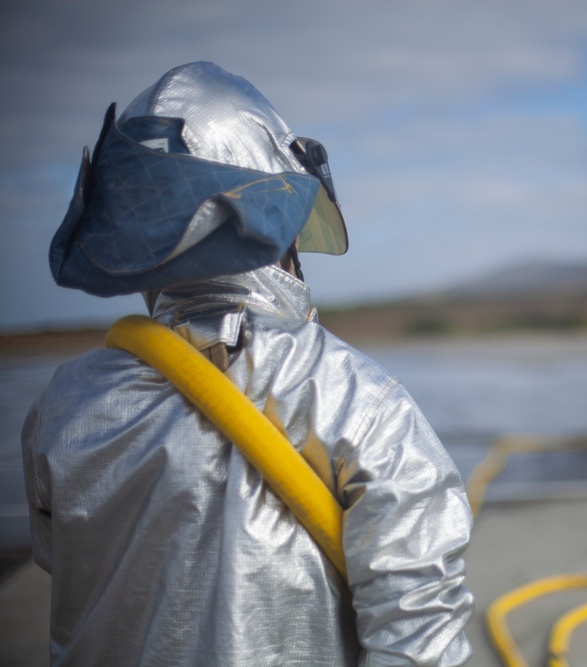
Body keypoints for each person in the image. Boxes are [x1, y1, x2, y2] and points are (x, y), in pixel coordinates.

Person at [22, 62, 474, 666]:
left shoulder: (64, 402)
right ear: (274, 209)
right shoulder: (353, 396)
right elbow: (420, 631)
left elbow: (61, 561)